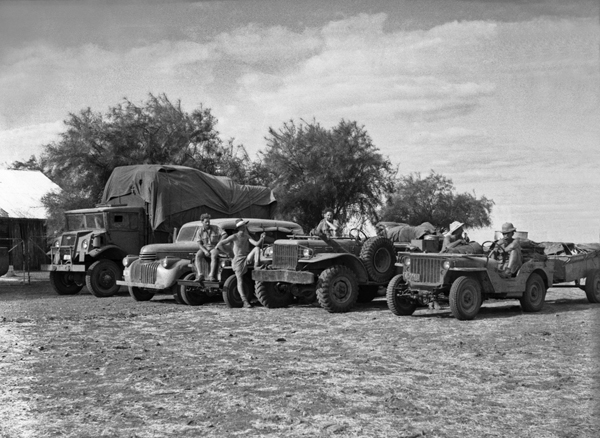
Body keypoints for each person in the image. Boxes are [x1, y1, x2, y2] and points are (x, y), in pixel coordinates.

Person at [216, 219, 265, 308]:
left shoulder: (246, 236)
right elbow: (220, 244)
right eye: (243, 226)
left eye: (244, 226)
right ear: (240, 227)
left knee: (257, 249)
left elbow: (256, 244)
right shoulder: (234, 237)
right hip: (237, 260)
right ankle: (244, 300)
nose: (244, 227)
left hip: (246, 258)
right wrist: (228, 253)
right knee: (240, 280)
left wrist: (261, 238)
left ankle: (256, 266)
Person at [194, 213, 227, 282]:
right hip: (205, 248)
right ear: (202, 222)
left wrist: (219, 244)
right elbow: (199, 243)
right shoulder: (199, 231)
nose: (208, 223)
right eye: (206, 222)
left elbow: (224, 234)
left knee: (214, 255)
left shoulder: (216, 228)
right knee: (197, 256)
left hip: (214, 247)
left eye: (208, 221)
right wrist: (205, 251)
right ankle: (200, 275)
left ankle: (211, 275)